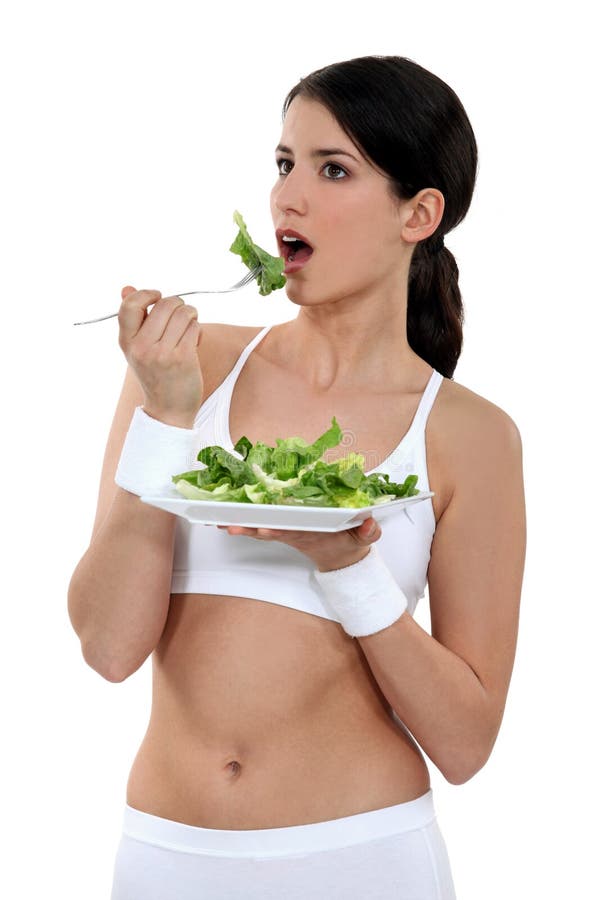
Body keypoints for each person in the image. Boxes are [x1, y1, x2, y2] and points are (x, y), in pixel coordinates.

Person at [68, 54, 526, 900]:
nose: (287, 197)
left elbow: (465, 745)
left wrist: (351, 568)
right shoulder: (181, 368)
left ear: (418, 214)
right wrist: (166, 422)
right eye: (284, 163)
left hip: (361, 859)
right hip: (165, 857)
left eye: (333, 169)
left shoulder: (472, 436)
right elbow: (106, 647)